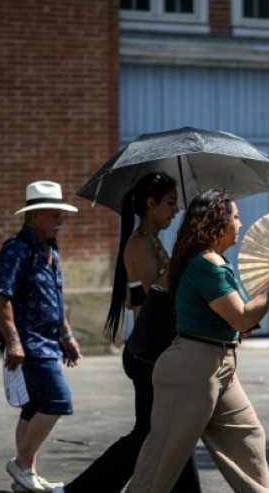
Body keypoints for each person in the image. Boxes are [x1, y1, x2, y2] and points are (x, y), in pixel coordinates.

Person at [126, 189, 269, 493]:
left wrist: (238, 326)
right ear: (216, 224)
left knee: (248, 438)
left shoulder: (216, 262)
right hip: (192, 371)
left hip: (220, 365)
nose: (241, 223)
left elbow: (234, 318)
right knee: (160, 464)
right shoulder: (204, 264)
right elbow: (242, 316)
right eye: (235, 217)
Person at [61, 172, 201, 493]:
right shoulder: (140, 244)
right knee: (151, 434)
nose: (176, 209)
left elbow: (133, 298)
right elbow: (157, 298)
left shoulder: (151, 243)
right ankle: (79, 490)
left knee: (164, 432)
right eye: (170, 203)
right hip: (148, 354)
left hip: (153, 350)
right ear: (150, 205)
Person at [0, 180, 82, 493]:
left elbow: (56, 297)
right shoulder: (18, 249)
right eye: (55, 214)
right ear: (35, 216)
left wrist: (67, 335)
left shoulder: (51, 248)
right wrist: (14, 342)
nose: (61, 220)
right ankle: (21, 463)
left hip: (49, 341)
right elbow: (1, 297)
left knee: (33, 407)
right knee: (58, 401)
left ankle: (26, 476)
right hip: (30, 344)